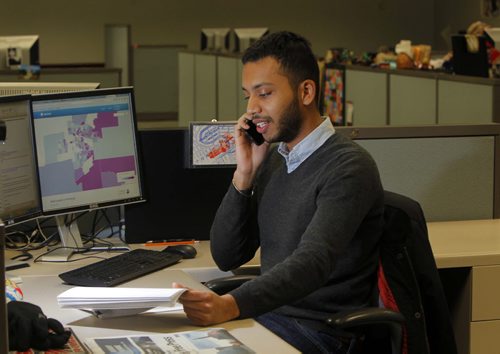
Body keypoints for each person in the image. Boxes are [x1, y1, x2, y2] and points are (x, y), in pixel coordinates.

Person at [174, 31, 384, 353]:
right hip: (268, 320)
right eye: (248, 95)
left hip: (322, 333)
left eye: (265, 93)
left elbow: (313, 261)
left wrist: (230, 305)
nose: (252, 108)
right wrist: (245, 175)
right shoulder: (274, 159)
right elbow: (228, 255)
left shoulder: (348, 167)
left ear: (306, 92)